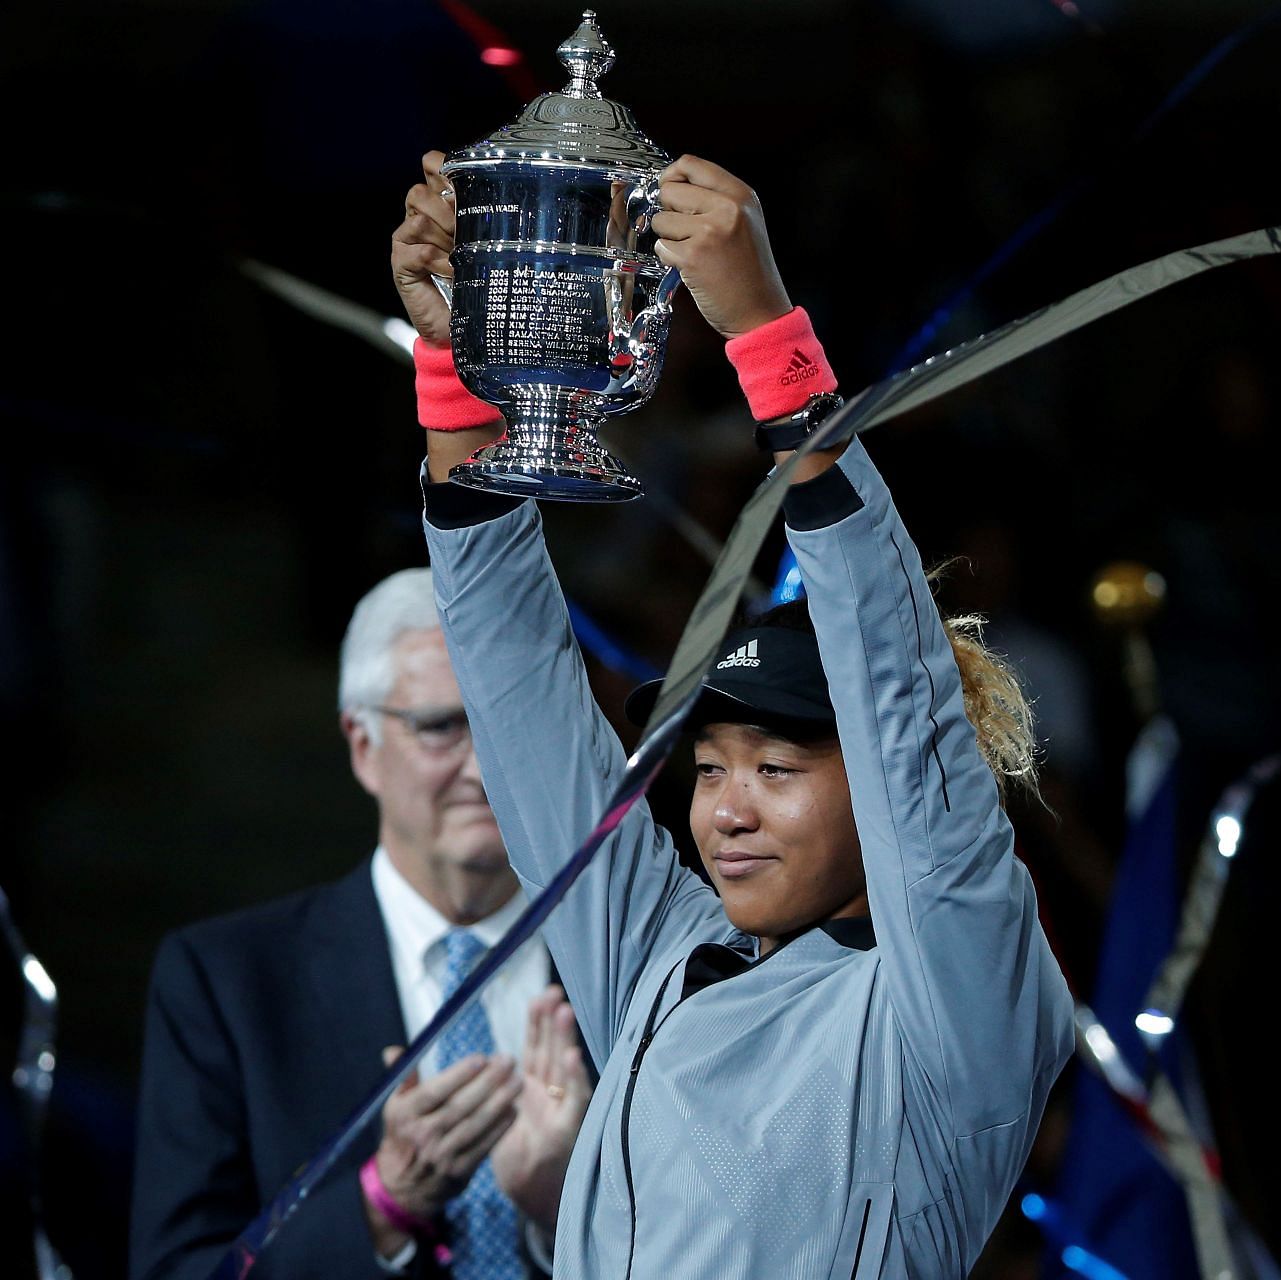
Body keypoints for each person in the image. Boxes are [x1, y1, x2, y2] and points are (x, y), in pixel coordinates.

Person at [390, 149, 1076, 1277]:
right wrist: (459, 371)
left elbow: (904, 713)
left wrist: (770, 343)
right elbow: (520, 699)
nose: (729, 810)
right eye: (710, 768)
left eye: (778, 764)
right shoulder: (663, 950)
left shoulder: (956, 1003)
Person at [130, 568, 592, 1280]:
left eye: (505, 723)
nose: (483, 769)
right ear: (362, 745)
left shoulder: (633, 965)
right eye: (441, 728)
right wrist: (384, 1203)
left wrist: (570, 1210)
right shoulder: (229, 982)